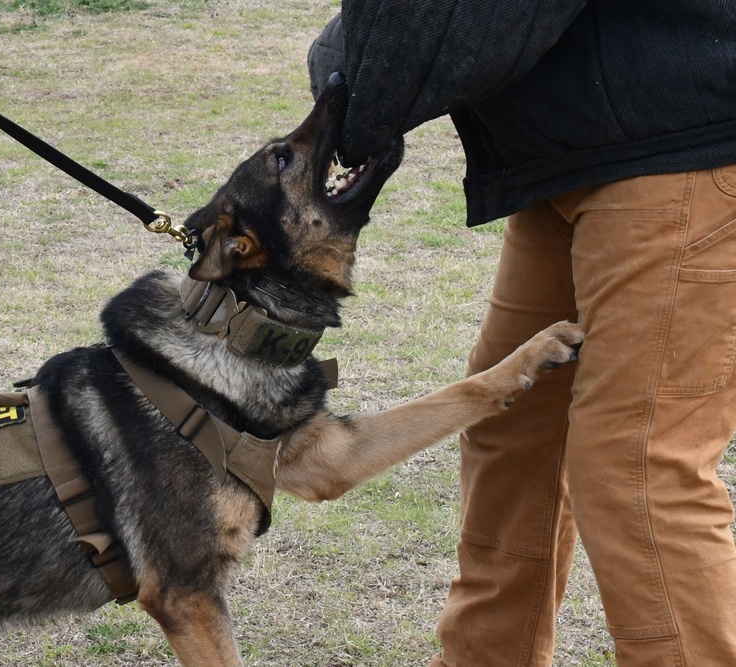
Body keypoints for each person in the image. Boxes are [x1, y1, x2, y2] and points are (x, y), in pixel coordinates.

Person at [309, 1, 736, 665]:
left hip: (679, 150)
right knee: (512, 427)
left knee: (637, 465)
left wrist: (349, 100)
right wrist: (345, 85)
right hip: (570, 157)